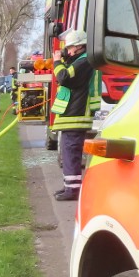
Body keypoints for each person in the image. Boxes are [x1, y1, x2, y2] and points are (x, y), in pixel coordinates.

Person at [51, 30, 99, 202]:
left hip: (76, 115)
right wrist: (64, 60)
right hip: (72, 115)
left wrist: (57, 61)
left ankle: (73, 190)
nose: (68, 50)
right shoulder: (79, 61)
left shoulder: (84, 61)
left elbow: (64, 77)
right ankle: (69, 187)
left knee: (71, 152)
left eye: (70, 47)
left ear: (79, 46)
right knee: (68, 153)